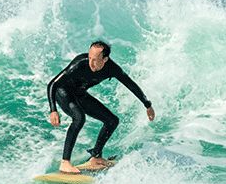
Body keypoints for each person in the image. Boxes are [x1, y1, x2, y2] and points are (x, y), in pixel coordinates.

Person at [46, 40, 155, 173]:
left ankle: (96, 157)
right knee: (79, 118)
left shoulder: (112, 69)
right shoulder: (79, 63)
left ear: (105, 59)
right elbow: (52, 84)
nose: (90, 62)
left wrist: (147, 105)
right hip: (63, 92)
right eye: (90, 57)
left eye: (95, 60)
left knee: (112, 120)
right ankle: (65, 162)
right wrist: (53, 110)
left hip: (80, 93)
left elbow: (130, 84)